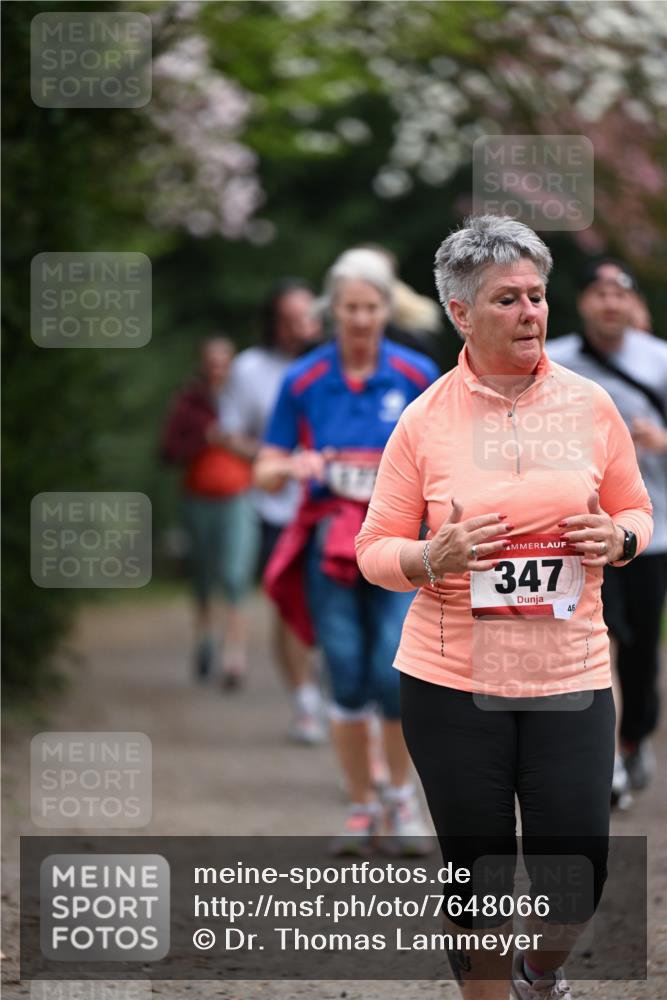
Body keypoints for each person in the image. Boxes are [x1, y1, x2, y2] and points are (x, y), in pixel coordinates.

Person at [355, 217, 653, 999]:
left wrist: (615, 539)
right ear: (459, 312)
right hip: (452, 679)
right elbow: (374, 547)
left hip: (569, 674)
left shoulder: (590, 407)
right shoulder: (424, 420)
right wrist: (428, 557)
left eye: (536, 296)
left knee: (578, 872)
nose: (530, 313)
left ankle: (538, 972)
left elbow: (637, 512)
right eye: (506, 300)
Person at [254, 249, 439, 854]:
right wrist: (293, 464)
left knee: (395, 671)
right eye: (349, 308)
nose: (360, 319)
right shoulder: (304, 379)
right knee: (347, 670)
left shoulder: (415, 374)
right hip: (327, 541)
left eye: (371, 306)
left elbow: (448, 452)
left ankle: (400, 802)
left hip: (398, 540)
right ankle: (361, 806)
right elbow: (264, 468)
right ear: (331, 311)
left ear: (388, 308)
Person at [547, 259, 667, 802]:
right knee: (603, 636)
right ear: (584, 303)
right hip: (582, 529)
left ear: (631, 303)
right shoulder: (557, 361)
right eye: (598, 293)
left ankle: (635, 737)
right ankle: (608, 759)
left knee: (640, 646)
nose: (609, 303)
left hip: (652, 529)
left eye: (619, 293)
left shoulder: (659, 360)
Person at [220, 280, 327, 743]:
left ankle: (338, 689)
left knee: (331, 606)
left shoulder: (333, 366)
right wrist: (274, 461)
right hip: (276, 507)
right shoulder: (250, 369)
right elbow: (230, 433)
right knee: (288, 605)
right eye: (285, 320)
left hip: (332, 506)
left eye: (303, 318)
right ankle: (304, 700)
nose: (295, 329)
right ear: (271, 323)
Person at [160, 337, 259, 687]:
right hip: (198, 498)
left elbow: (267, 446)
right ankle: (204, 638)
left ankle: (234, 655)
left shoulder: (246, 401)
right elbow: (168, 450)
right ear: (202, 364)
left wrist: (236, 445)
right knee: (202, 575)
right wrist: (207, 437)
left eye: (224, 361)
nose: (218, 368)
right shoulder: (189, 403)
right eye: (212, 361)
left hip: (238, 497)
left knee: (235, 576)